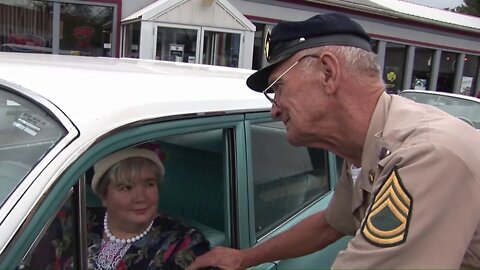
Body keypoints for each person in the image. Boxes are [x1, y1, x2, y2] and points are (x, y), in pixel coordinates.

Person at [188, 13, 480, 269]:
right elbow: (331, 224)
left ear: (328, 72)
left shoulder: (426, 155)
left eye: (279, 88)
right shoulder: (367, 146)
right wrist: (246, 258)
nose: (275, 109)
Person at [88, 145, 211, 269]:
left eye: (149, 184)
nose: (141, 198)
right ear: (104, 196)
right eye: (127, 187)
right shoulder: (79, 221)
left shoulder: (182, 242)